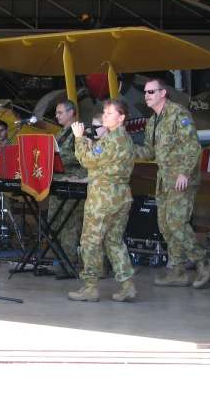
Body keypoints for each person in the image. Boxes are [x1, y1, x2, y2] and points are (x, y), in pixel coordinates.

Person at [135, 78, 210, 288]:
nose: (147, 95)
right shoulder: (152, 121)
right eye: (145, 92)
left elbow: (192, 145)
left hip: (181, 179)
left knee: (177, 222)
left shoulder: (177, 113)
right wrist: (126, 147)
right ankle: (178, 270)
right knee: (165, 226)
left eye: (151, 91)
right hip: (164, 180)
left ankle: (203, 262)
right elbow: (150, 152)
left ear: (163, 93)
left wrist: (185, 173)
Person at [68, 99, 137, 302]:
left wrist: (79, 139)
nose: (104, 116)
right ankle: (127, 284)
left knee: (91, 241)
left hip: (103, 199)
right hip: (121, 196)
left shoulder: (110, 141)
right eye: (104, 112)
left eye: (109, 113)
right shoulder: (126, 139)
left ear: (121, 117)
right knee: (114, 242)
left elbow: (87, 160)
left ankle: (90, 286)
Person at [46, 99, 87, 266]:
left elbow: (82, 157)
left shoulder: (78, 133)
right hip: (57, 182)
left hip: (72, 181)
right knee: (53, 219)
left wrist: (55, 159)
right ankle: (54, 255)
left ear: (71, 113)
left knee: (69, 222)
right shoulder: (60, 133)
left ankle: (68, 258)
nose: (56, 116)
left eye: (60, 112)